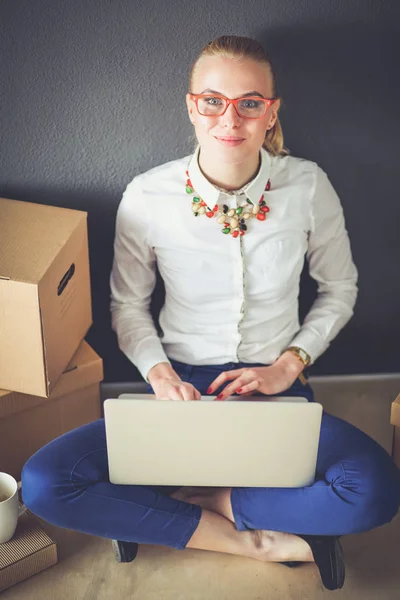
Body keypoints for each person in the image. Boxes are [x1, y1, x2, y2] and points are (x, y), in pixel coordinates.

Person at [21, 35, 400, 592]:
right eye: (213, 101)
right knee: (45, 483)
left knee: (374, 490)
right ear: (191, 106)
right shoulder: (149, 194)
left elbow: (339, 288)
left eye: (250, 102)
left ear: (271, 112)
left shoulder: (308, 185)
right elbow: (127, 306)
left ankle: (186, 502)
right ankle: (251, 537)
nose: (231, 118)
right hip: (180, 388)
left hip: (275, 387)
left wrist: (289, 364)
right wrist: (160, 376)